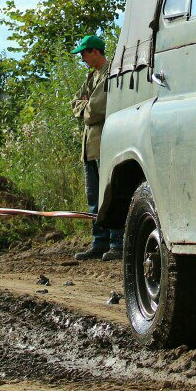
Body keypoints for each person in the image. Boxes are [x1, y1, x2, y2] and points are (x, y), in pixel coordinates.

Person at [70, 35, 122, 261]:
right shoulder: (92, 77)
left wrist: (84, 106)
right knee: (93, 198)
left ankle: (117, 244)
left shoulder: (111, 73)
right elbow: (76, 103)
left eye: (84, 53)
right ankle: (99, 243)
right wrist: (84, 105)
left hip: (105, 144)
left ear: (95, 52)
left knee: (109, 195)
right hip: (90, 147)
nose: (82, 58)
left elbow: (95, 110)